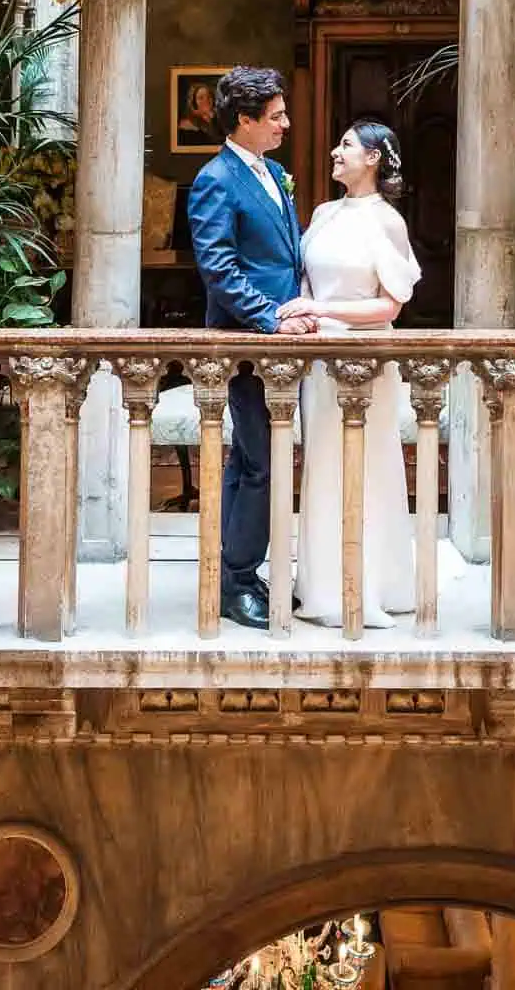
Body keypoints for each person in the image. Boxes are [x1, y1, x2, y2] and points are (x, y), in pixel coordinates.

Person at [186, 66, 317, 630]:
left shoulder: (276, 172)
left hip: (280, 343)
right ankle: (236, 580)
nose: (286, 124)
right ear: (244, 120)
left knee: (252, 459)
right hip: (244, 345)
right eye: (276, 116)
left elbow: (283, 258)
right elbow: (219, 268)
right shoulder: (215, 179)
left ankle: (236, 571)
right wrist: (270, 321)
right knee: (261, 463)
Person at [294, 120, 420, 627]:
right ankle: (320, 582)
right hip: (319, 358)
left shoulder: (387, 221)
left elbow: (391, 306)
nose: (334, 150)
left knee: (365, 463)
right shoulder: (323, 214)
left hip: (365, 357)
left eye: (345, 145)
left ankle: (369, 581)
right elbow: (306, 279)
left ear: (373, 158)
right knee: (321, 461)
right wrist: (306, 313)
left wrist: (322, 312)